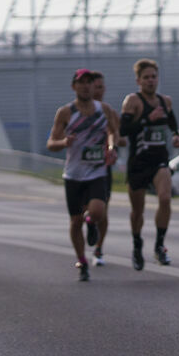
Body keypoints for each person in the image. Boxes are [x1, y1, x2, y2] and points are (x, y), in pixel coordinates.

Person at [48, 68, 118, 281]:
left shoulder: (103, 109)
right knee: (75, 220)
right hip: (73, 175)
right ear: (74, 86)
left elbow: (113, 132)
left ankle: (92, 223)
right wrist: (64, 142)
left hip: (96, 172)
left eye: (89, 82)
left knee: (98, 211)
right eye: (82, 82)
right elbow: (51, 143)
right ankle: (82, 260)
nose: (86, 86)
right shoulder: (66, 112)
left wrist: (112, 147)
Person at [119, 58, 179, 271]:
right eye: (146, 77)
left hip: (159, 160)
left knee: (165, 198)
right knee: (138, 211)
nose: (150, 81)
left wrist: (176, 136)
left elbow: (173, 124)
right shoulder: (132, 101)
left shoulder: (165, 101)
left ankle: (159, 245)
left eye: (153, 77)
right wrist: (147, 118)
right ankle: (137, 244)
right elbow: (123, 130)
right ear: (138, 80)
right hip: (138, 162)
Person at [86, 71, 121, 266]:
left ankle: (99, 249)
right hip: (81, 168)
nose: (99, 91)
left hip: (101, 168)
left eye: (101, 87)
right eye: (95, 87)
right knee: (85, 210)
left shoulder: (109, 112)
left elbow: (117, 135)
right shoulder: (75, 111)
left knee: (103, 211)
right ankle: (89, 221)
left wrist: (113, 146)